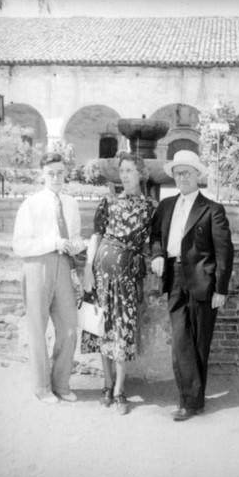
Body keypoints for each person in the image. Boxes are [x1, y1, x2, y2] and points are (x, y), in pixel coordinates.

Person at [150, 150, 234, 421]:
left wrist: (221, 289)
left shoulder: (212, 210)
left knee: (199, 342)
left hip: (203, 282)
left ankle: (193, 400)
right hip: (173, 278)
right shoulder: (165, 206)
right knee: (180, 340)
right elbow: (154, 236)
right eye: (177, 173)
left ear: (198, 175)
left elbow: (224, 252)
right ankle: (189, 400)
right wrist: (158, 255)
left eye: (187, 172)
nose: (182, 177)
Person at [82, 152, 156, 415]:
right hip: (102, 273)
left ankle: (120, 390)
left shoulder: (150, 207)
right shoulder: (109, 201)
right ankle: (107, 383)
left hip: (126, 276)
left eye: (130, 171)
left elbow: (153, 243)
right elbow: (95, 235)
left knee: (124, 330)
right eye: (122, 170)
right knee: (103, 328)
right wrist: (87, 269)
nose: (124, 175)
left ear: (141, 175)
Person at [13, 153, 86, 404]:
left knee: (68, 329)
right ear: (42, 175)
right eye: (50, 173)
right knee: (37, 329)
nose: (55, 177)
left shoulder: (72, 203)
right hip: (37, 266)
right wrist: (52, 242)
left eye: (60, 172)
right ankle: (42, 387)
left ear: (66, 173)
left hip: (63, 265)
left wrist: (75, 245)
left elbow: (75, 235)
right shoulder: (31, 204)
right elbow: (20, 245)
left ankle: (61, 383)